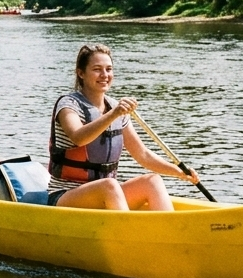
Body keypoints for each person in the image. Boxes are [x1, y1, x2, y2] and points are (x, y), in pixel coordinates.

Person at [47, 44, 199, 211]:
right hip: (65, 195)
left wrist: (179, 173)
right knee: (110, 185)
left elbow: (142, 154)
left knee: (152, 181)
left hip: (105, 194)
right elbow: (78, 137)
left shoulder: (115, 106)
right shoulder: (69, 105)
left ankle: (171, 232)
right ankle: (128, 232)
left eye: (109, 69)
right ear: (81, 73)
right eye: (97, 69)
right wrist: (114, 114)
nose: (104, 75)